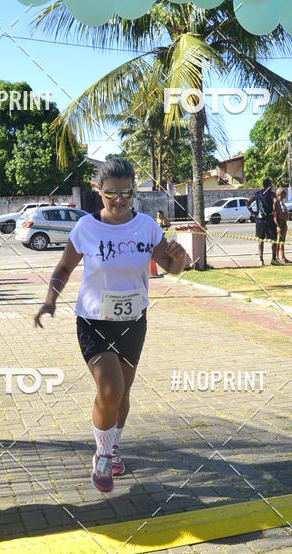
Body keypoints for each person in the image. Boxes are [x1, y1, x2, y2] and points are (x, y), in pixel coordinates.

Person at [34, 157, 187, 493]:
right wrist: (50, 299)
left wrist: (181, 259)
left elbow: (169, 266)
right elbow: (63, 269)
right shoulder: (86, 228)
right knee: (110, 389)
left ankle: (113, 444)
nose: (120, 199)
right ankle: (102, 455)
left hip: (133, 322)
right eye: (111, 193)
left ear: (135, 190)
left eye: (127, 193)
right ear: (98, 190)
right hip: (93, 320)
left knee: (123, 393)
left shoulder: (147, 226)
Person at [247, 178, 279, 266]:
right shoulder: (271, 194)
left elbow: (248, 203)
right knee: (273, 239)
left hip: (260, 220)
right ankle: (273, 258)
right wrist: (274, 210)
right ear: (269, 185)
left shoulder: (257, 194)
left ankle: (261, 260)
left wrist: (253, 212)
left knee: (261, 240)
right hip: (269, 219)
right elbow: (276, 201)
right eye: (271, 184)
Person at [274, 188, 292, 264]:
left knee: (282, 241)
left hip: (283, 223)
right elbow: (275, 215)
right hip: (280, 223)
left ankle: (283, 256)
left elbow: (283, 212)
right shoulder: (277, 202)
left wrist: (289, 214)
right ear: (280, 193)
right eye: (284, 192)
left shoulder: (281, 202)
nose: (286, 194)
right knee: (279, 241)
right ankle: (277, 256)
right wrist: (277, 225)